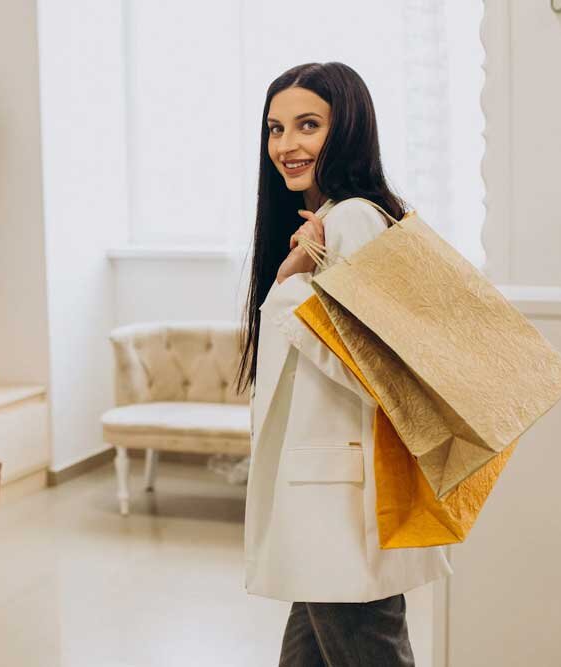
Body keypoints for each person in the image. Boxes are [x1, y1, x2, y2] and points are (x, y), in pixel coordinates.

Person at [236, 62, 453, 666]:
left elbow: (367, 363)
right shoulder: (334, 218)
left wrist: (286, 284)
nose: (287, 145)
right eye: (276, 129)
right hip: (323, 494)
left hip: (337, 501)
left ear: (347, 129)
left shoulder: (352, 217)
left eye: (308, 125)